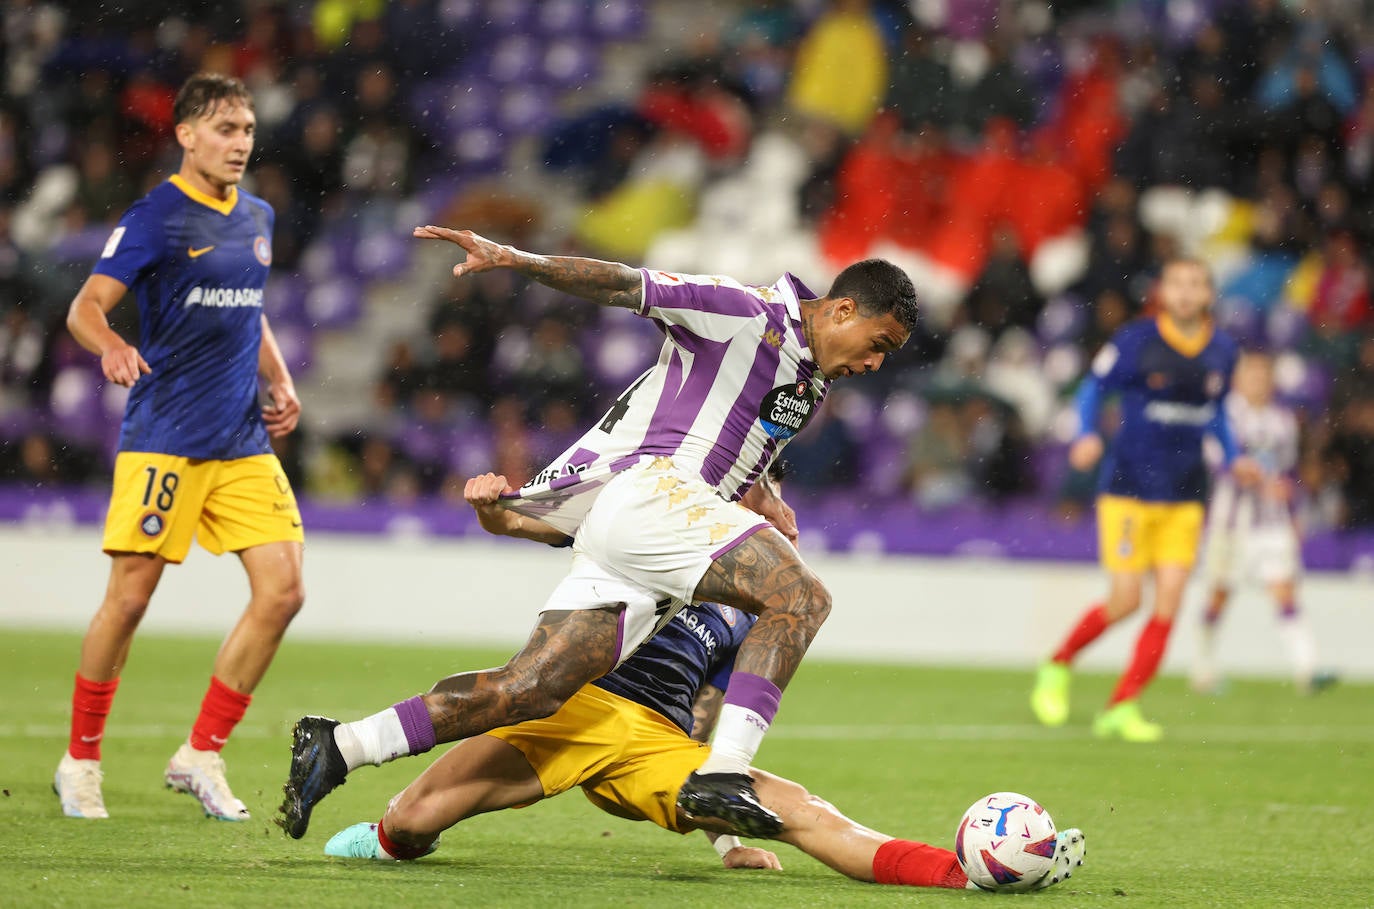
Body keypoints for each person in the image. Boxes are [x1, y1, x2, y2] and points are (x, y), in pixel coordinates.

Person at [279, 227, 918, 840]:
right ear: (841, 308)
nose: (874, 362)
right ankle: (723, 776)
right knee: (802, 598)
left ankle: (343, 744)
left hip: (648, 538)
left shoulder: (807, 380)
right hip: (657, 501)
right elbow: (624, 284)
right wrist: (514, 258)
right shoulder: (744, 312)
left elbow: (751, 439)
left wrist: (768, 496)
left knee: (529, 689)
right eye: (878, 342)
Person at [319, 470, 1087, 893]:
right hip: (572, 711)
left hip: (653, 742)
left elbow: (712, 718)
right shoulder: (649, 525)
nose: (781, 511)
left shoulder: (760, 607)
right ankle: (385, 829)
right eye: (767, 492)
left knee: (806, 812)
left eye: (782, 495)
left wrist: (725, 835)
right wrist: (496, 511)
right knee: (411, 824)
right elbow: (539, 525)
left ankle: (971, 872)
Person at [55, 73, 305, 821]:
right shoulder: (157, 215)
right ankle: (81, 760)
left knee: (284, 590)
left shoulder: (257, 215)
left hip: (241, 439)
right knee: (129, 601)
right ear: (186, 134)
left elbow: (249, 311)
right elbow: (84, 308)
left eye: (248, 130)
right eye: (226, 129)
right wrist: (110, 345)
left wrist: (281, 378)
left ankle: (200, 751)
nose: (240, 144)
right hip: (165, 437)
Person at [1029, 257, 1259, 742]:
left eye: (1195, 284)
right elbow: (1095, 388)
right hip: (1130, 488)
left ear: (1208, 294)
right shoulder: (1136, 340)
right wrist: (1088, 433)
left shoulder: (1221, 349)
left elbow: (1215, 412)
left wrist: (1234, 455)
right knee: (1126, 601)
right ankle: (1058, 664)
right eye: (1177, 282)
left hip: (1187, 493)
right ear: (1163, 291)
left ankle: (1122, 705)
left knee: (1169, 603)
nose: (1185, 292)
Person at [1192, 351, 1336, 695]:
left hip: (1272, 523)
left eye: (1263, 375)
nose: (1258, 381)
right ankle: (1203, 668)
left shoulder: (1283, 420)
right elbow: (1217, 465)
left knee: (1285, 590)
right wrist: (1257, 481)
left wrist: (1292, 508)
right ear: (1238, 379)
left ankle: (1308, 669)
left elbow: (1287, 472)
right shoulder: (1224, 417)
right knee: (1219, 595)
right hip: (1231, 523)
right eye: (1251, 375)